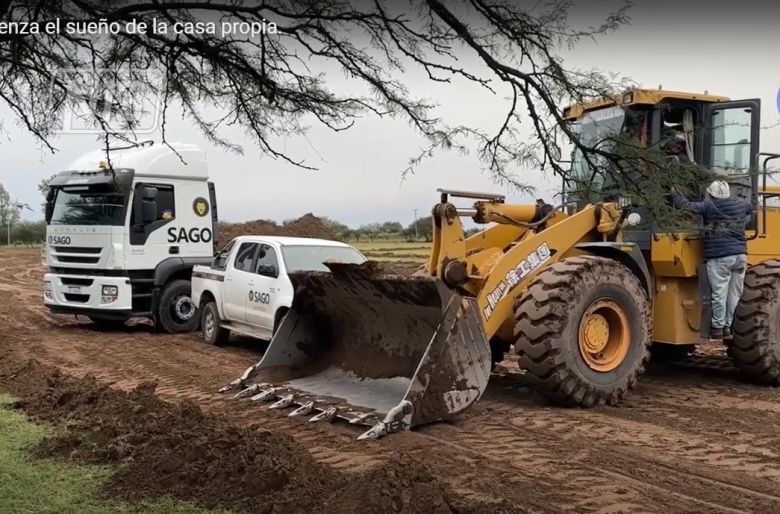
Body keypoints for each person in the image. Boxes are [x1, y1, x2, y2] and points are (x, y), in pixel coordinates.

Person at [669, 180, 753, 340]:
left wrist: (674, 192)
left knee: (719, 294)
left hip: (720, 257)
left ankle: (717, 328)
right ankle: (729, 327)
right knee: (734, 293)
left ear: (712, 195)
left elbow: (685, 206)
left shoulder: (709, 206)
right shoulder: (741, 205)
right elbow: (750, 208)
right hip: (740, 256)